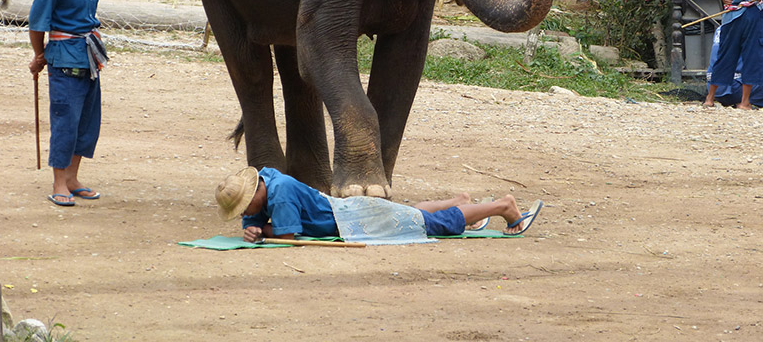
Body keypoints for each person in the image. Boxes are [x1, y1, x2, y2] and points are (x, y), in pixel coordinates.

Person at [215, 166, 543, 243]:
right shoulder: (268, 180)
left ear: (255, 190)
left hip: (357, 220)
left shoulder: (281, 193)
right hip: (351, 211)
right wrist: (252, 223)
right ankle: (459, 201)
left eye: (245, 206)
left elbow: (287, 238)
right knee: (410, 213)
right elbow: (255, 218)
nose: (245, 213)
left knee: (435, 225)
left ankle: (503, 206)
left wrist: (260, 231)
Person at [29, 0, 113, 206]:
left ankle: (73, 178)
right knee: (65, 121)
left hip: (89, 58)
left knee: (87, 122)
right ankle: (58, 182)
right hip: (63, 60)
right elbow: (37, 23)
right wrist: (39, 56)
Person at [706, 24, 763, 109]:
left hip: (714, 88)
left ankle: (710, 100)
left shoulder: (720, 28)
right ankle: (747, 103)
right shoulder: (749, 27)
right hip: (733, 89)